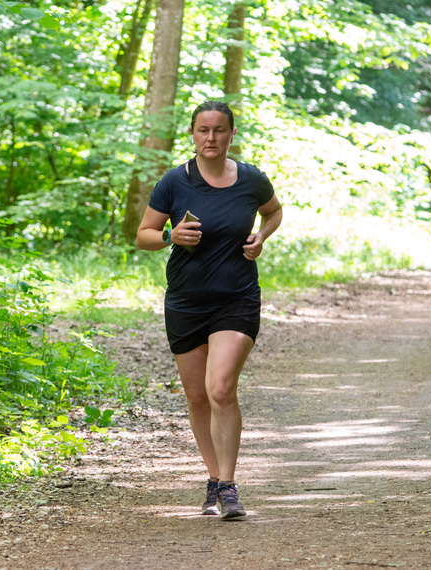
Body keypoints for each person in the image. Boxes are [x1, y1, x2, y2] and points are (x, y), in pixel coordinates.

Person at [136, 101, 282, 520]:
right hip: (185, 301)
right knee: (198, 397)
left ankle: (230, 486)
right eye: (203, 130)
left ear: (231, 134)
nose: (211, 138)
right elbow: (143, 235)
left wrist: (261, 237)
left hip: (236, 297)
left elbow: (274, 212)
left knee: (220, 388)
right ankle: (214, 479)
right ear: (192, 134)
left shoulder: (251, 178)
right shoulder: (174, 182)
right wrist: (170, 235)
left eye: (219, 130)